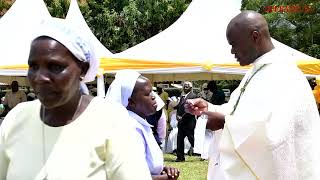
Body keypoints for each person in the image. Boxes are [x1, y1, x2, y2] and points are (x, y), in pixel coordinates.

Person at [0, 19, 151, 180]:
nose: (40, 77)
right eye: (34, 66)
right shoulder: (16, 120)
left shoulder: (111, 120)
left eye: (55, 67)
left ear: (83, 69)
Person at [185, 11, 320, 179]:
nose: (232, 51)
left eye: (234, 44)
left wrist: (224, 122)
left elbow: (277, 131)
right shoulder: (256, 71)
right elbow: (240, 111)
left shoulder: (284, 74)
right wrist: (210, 107)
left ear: (255, 36)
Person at [106, 69, 180, 180]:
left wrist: (162, 169)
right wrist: (166, 178)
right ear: (131, 102)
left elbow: (144, 164)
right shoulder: (130, 128)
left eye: (152, 92)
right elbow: (130, 176)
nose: (154, 96)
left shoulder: (140, 124)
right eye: (147, 94)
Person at [175, 81, 197, 162]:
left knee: (191, 138)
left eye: (187, 86)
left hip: (189, 122)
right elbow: (179, 107)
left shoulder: (194, 96)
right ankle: (180, 157)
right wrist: (177, 115)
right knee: (179, 139)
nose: (185, 87)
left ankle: (201, 153)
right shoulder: (182, 96)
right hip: (181, 122)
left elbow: (191, 109)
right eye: (184, 85)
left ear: (191, 88)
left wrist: (182, 117)